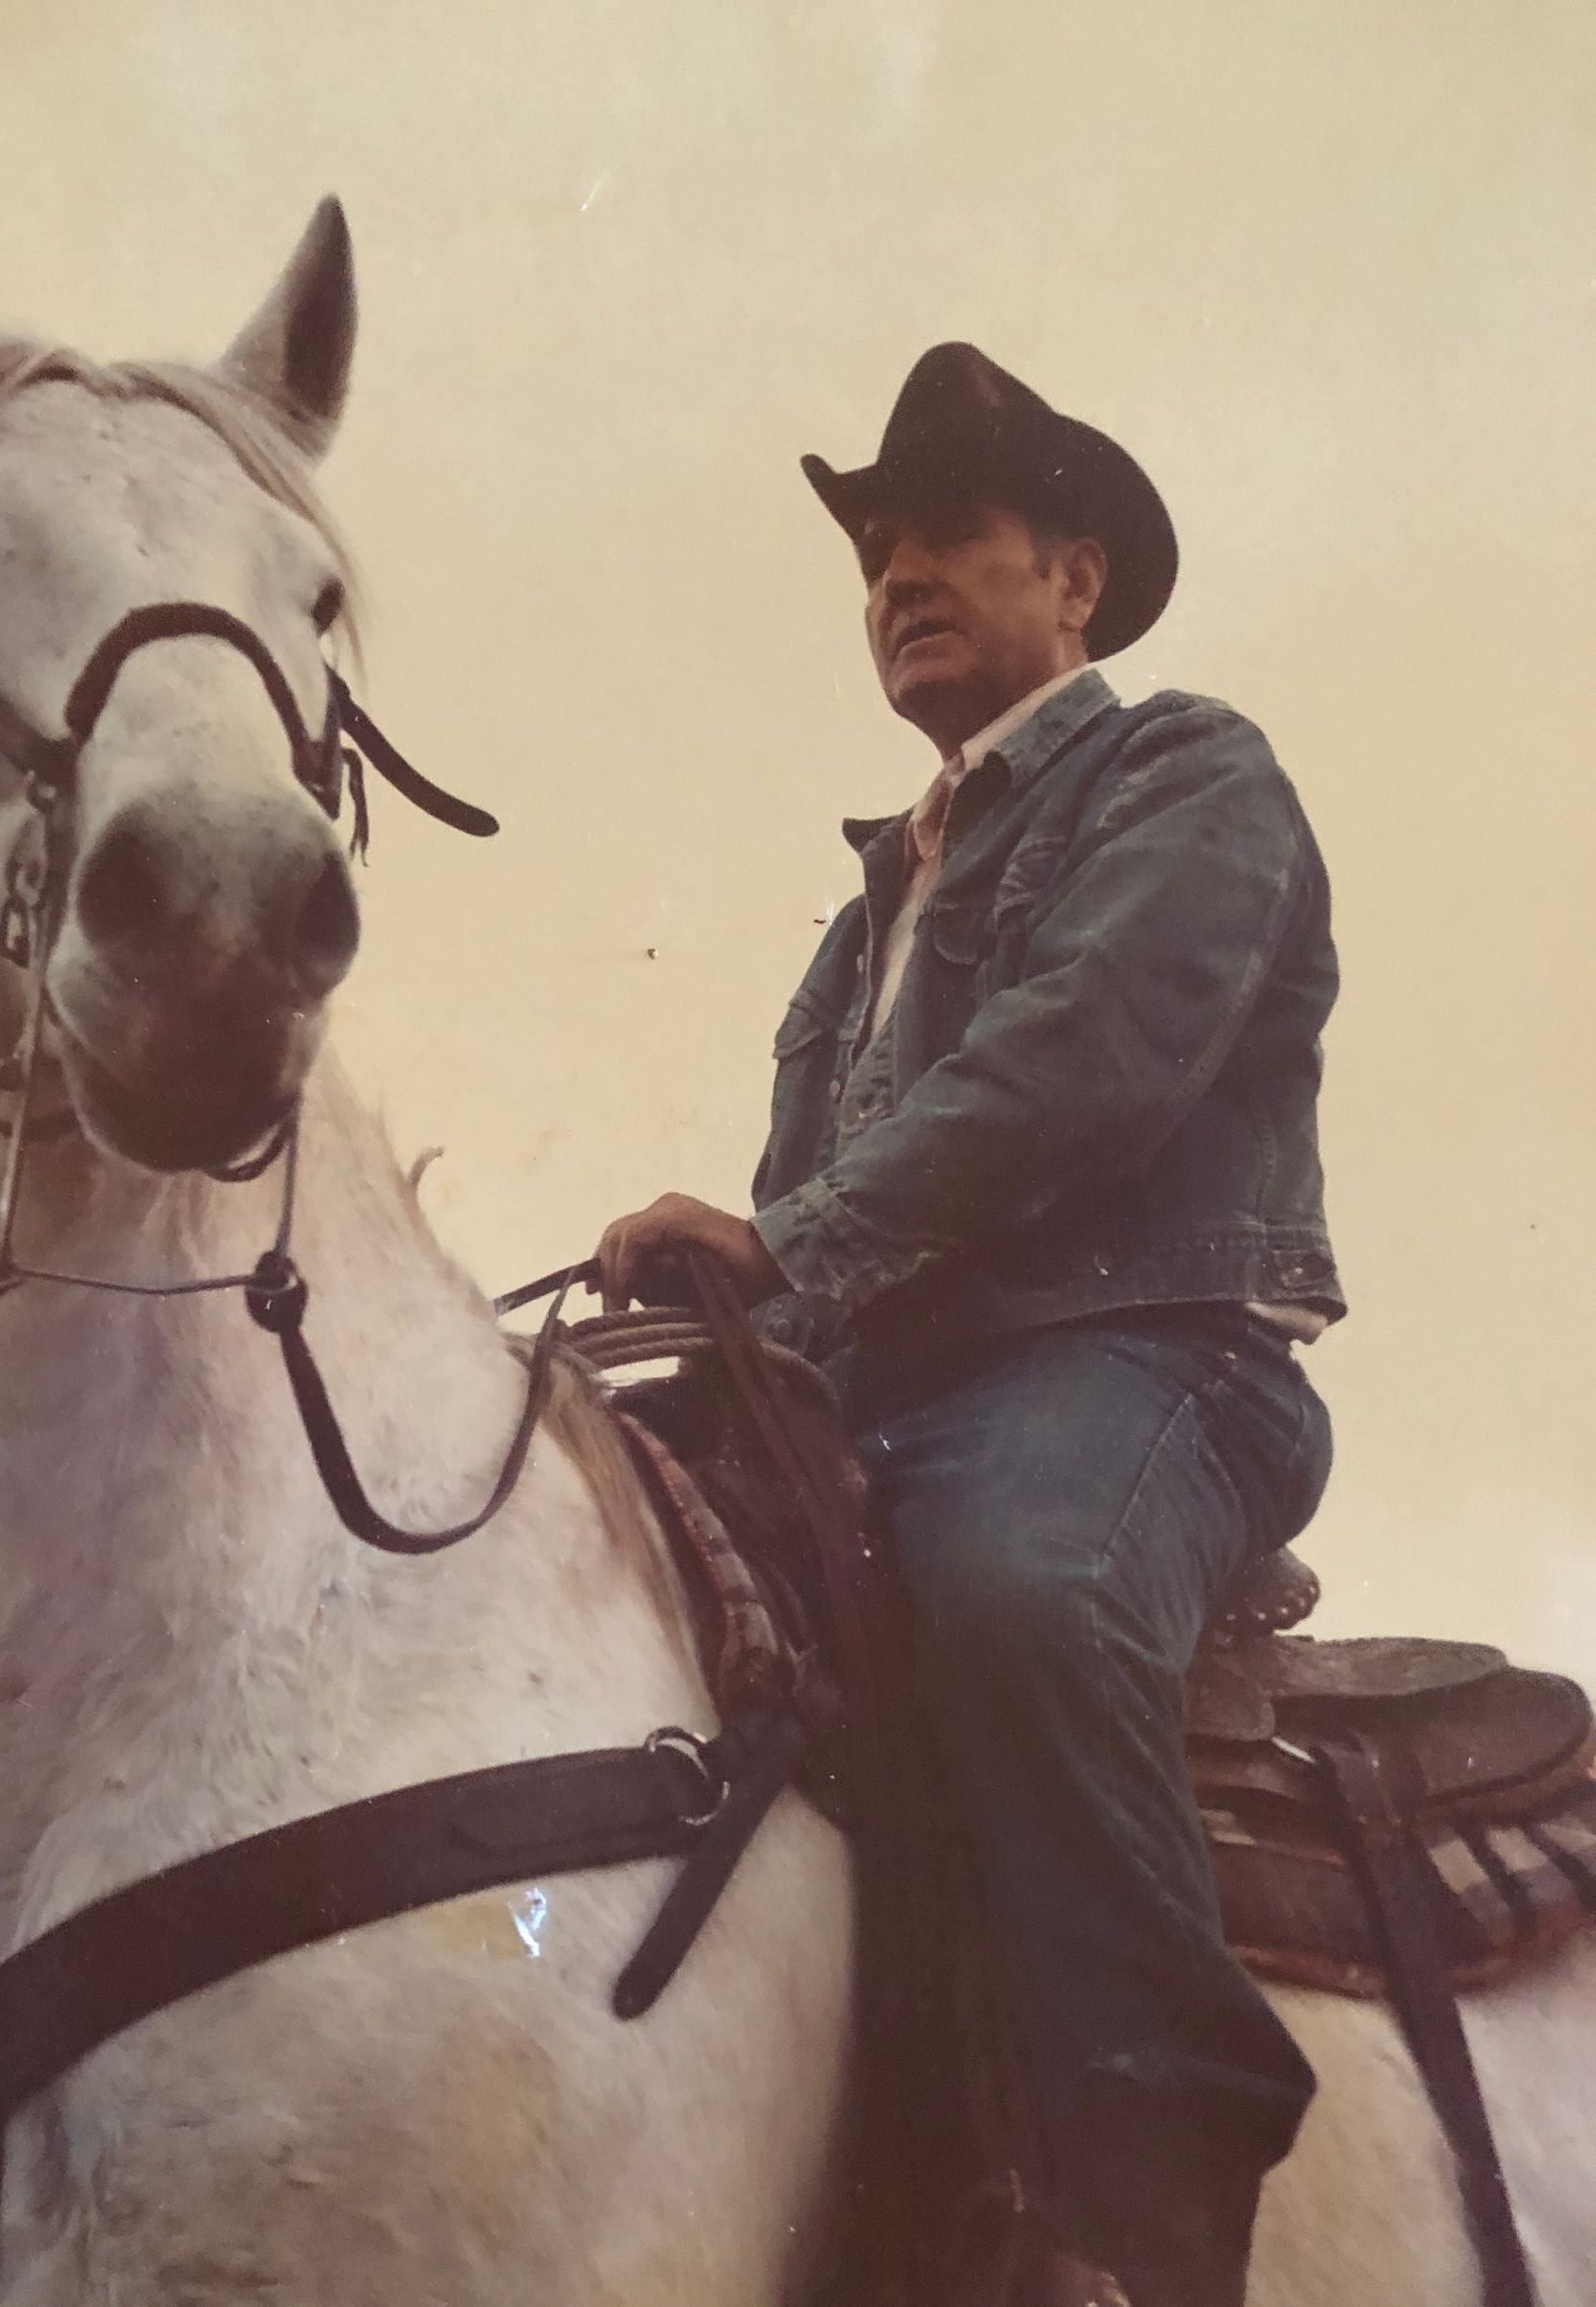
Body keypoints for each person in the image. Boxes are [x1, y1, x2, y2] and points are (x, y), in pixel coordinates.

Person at [593, 342, 1342, 2307]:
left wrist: (786, 1241)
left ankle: (1147, 2191)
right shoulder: (865, 917)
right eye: (875, 562)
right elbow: (807, 1218)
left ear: (1073, 580)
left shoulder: (1189, 772)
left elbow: (1086, 1057)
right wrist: (729, 1299)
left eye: (946, 542)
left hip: (1148, 1356)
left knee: (1015, 1584)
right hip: (889, 1390)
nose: (896, 583)